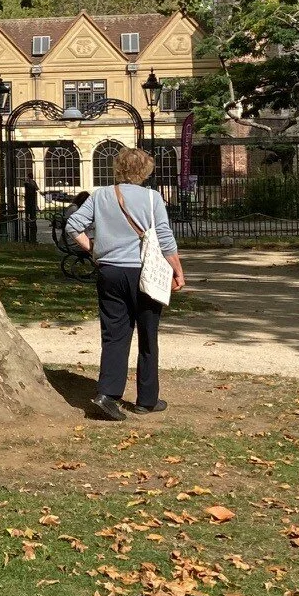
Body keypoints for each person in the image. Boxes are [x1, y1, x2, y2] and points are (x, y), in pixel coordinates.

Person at [66, 147, 186, 420]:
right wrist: (177, 270)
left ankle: (107, 394)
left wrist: (93, 250)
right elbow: (165, 237)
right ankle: (147, 399)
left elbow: (73, 225)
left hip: (110, 272)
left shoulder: (100, 196)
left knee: (114, 335)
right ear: (146, 171)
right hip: (144, 274)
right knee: (148, 335)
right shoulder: (152, 198)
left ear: (117, 168)